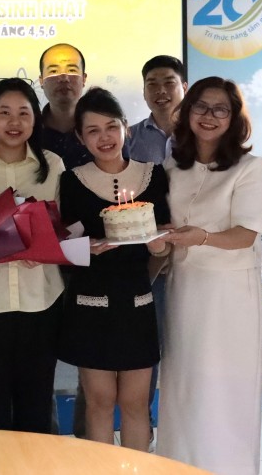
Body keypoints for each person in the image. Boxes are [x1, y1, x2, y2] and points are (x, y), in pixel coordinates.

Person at [155, 77, 262, 474]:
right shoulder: (171, 167)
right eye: (201, 106)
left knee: (225, 392)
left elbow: (245, 235)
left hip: (230, 295)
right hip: (184, 289)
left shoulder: (250, 167)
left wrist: (201, 237)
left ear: (234, 118)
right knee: (183, 388)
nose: (209, 116)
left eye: (221, 109)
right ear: (187, 111)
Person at [57, 87, 170, 450]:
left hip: (137, 301)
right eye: (92, 130)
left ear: (126, 128)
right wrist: (85, 248)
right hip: (90, 304)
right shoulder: (71, 182)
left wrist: (159, 247)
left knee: (136, 403)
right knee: (100, 401)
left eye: (111, 127)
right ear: (80, 137)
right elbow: (60, 246)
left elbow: (164, 241)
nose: (104, 137)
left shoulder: (153, 176)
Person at [0, 78, 66, 433]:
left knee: (36, 405)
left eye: (24, 113)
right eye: (4, 112)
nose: (14, 121)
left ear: (35, 119)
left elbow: (64, 228)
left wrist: (48, 250)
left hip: (40, 300)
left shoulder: (52, 165)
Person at [127, 54, 188, 448]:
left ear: (184, 86)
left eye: (169, 82)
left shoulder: (202, 134)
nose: (161, 91)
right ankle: (144, 433)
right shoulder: (130, 138)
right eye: (152, 83)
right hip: (149, 263)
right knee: (147, 350)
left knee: (189, 349)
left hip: (195, 258)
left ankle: (183, 431)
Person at [38, 43, 93, 169]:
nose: (63, 78)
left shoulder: (102, 131)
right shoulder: (29, 132)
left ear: (84, 79)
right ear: (41, 81)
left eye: (72, 70)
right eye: (53, 71)